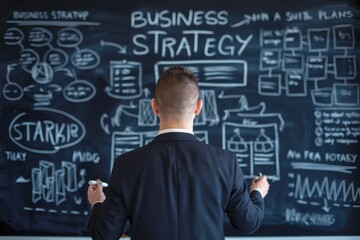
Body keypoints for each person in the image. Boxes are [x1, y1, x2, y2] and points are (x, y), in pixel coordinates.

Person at [87, 66, 270, 240]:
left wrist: (98, 202)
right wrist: (257, 193)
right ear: (198, 107)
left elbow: (105, 235)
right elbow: (248, 222)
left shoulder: (125, 165)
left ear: (154, 107)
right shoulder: (226, 162)